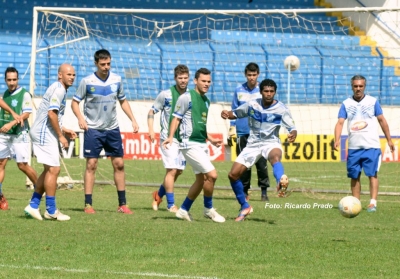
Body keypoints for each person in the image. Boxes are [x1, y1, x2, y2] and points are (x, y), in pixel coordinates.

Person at [71, 49, 139, 214]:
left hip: (112, 129)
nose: (106, 67)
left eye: (108, 63)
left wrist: (133, 119)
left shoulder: (117, 80)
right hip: (93, 129)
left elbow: (122, 101)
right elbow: (74, 102)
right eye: (103, 64)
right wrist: (80, 118)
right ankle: (88, 204)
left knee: (119, 164)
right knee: (91, 165)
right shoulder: (87, 81)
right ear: (96, 63)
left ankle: (122, 204)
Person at [221, 79, 297, 221]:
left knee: (275, 157)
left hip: (271, 142)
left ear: (275, 92)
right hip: (253, 144)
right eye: (266, 91)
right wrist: (226, 113)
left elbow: (292, 127)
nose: (269, 94)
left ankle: (281, 180)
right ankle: (245, 206)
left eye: (271, 91)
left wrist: (293, 134)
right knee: (233, 175)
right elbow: (236, 113)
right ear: (261, 92)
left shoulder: (282, 109)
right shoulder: (252, 104)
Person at [162, 68, 225, 223]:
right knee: (212, 175)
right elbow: (176, 118)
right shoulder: (186, 97)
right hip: (188, 144)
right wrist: (170, 137)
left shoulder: (206, 101)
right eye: (203, 81)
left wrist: (210, 139)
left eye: (209, 81)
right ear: (196, 81)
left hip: (201, 143)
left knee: (202, 179)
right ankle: (208, 209)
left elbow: (200, 125)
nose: (206, 84)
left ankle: (183, 210)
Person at [334, 75, 394, 213]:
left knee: (372, 174)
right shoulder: (346, 104)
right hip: (354, 147)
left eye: (361, 86)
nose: (358, 89)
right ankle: (356, 203)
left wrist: (389, 139)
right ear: (352, 86)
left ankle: (373, 203)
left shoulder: (373, 102)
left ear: (364, 86)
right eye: (356, 86)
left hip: (371, 146)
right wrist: (337, 139)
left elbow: (382, 120)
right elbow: (340, 122)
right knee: (354, 176)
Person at [24, 64, 77, 221]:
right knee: (54, 169)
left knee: (49, 170)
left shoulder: (57, 88)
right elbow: (51, 114)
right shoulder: (59, 89)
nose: (72, 77)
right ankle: (51, 210)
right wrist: (61, 136)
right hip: (43, 134)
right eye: (68, 74)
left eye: (74, 75)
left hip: (43, 132)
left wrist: (64, 129)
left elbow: (53, 116)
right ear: (60, 75)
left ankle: (33, 205)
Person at [148, 65, 189, 213]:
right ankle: (171, 204)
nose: (183, 81)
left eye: (185, 78)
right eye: (180, 78)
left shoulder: (191, 96)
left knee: (177, 172)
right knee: (171, 170)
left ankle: (158, 195)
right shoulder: (165, 95)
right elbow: (152, 110)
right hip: (167, 139)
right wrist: (151, 129)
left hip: (183, 140)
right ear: (175, 78)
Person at [229, 62, 270, 201]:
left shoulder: (263, 90)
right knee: (244, 164)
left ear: (258, 75)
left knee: (261, 163)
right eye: (249, 75)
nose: (251, 77)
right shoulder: (238, 90)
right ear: (245, 75)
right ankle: (245, 191)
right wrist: (231, 128)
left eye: (254, 75)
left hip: (260, 133)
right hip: (242, 132)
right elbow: (234, 110)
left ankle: (264, 192)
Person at [0, 67, 38, 210]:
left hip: (19, 134)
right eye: (9, 80)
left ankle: (39, 189)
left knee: (22, 165)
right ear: (5, 80)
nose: (11, 82)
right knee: (1, 164)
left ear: (18, 79)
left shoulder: (24, 94)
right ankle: (0, 196)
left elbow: (26, 114)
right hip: (4, 135)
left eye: (14, 79)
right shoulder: (5, 94)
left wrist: (11, 123)